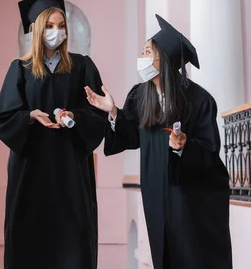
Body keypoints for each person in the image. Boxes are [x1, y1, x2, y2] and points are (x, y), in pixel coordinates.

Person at [85, 14, 232, 269]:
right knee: (162, 255)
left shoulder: (198, 100)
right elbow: (130, 135)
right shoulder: (141, 94)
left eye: (146, 52)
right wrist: (112, 112)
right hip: (155, 194)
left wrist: (184, 146)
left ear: (163, 59)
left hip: (190, 199)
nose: (141, 58)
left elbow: (210, 153)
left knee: (193, 256)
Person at [0, 0, 105, 269]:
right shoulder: (20, 68)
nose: (57, 32)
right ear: (37, 29)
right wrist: (30, 116)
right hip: (31, 169)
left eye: (61, 26)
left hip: (70, 169)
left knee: (74, 238)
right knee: (30, 239)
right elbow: (3, 118)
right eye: (50, 26)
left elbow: (97, 113)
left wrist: (75, 117)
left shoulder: (82, 67)